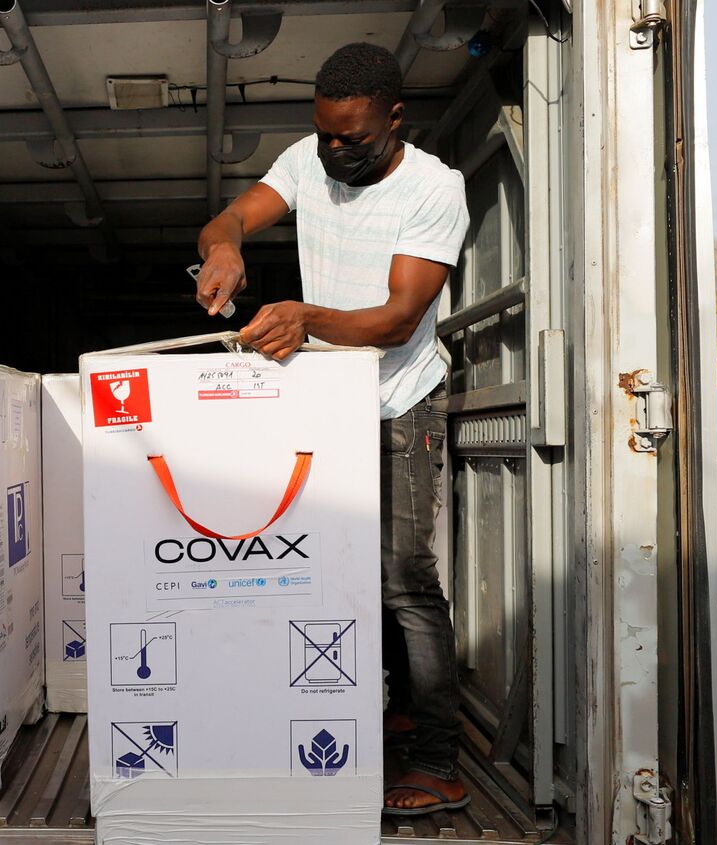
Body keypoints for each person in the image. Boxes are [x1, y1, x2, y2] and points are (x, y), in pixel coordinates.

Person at [192, 41, 470, 816]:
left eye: (354, 138)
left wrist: (304, 316)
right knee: (339, 567)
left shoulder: (433, 188)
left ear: (394, 119)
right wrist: (225, 248)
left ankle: (439, 760)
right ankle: (396, 709)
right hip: (329, 399)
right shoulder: (306, 161)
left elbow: (399, 318)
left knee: (405, 579)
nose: (336, 150)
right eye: (326, 135)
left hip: (400, 399)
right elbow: (230, 217)